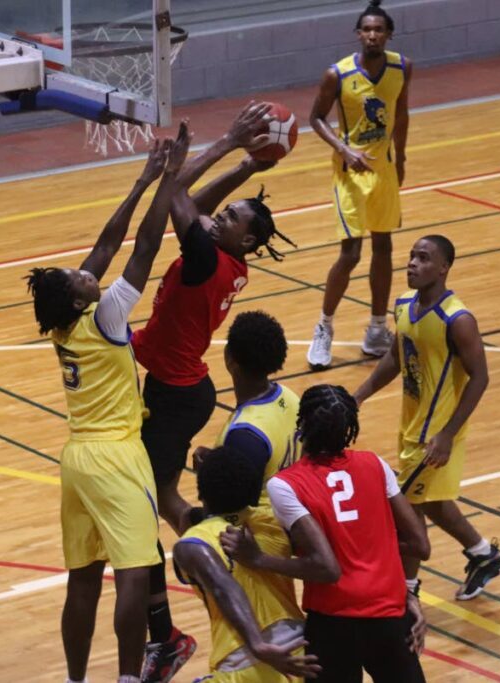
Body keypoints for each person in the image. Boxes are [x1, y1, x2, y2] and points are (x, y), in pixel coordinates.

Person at [132, 105, 296, 683]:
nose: (218, 216)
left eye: (231, 217)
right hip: (178, 388)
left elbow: (177, 193)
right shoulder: (225, 257)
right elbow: (197, 207)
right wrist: (248, 165)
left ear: (245, 238)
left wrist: (226, 142)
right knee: (164, 498)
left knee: (140, 511)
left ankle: (167, 636)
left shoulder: (206, 259)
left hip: (173, 396)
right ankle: (215, 546)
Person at [24, 124, 189, 683]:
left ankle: (76, 680)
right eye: (79, 276)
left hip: (77, 460)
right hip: (118, 456)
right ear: (79, 295)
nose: (86, 269)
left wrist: (141, 179)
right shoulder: (107, 315)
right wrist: (168, 182)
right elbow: (142, 246)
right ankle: (126, 678)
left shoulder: (64, 324)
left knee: (84, 578)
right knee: (137, 571)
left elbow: (105, 245)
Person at [223, 384, 430, 683]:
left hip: (334, 624)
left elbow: (325, 567)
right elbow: (419, 545)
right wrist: (407, 590)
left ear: (302, 424)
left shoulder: (286, 485)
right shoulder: (376, 464)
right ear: (349, 427)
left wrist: (258, 559)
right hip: (389, 617)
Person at [354, 235, 500, 601]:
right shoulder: (404, 304)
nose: (411, 263)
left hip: (437, 433)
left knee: (404, 510)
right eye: (411, 256)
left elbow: (481, 377)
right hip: (411, 425)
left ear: (443, 268)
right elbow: (395, 357)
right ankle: (484, 555)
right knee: (428, 501)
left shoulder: (458, 319)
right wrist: (358, 396)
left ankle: (406, 591)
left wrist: (448, 433)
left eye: (423, 258)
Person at [305, 0, 411, 370]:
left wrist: (401, 158)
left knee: (384, 246)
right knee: (350, 254)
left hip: (383, 171)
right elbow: (315, 118)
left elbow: (401, 113)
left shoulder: (401, 67)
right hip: (350, 174)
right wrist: (343, 149)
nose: (372, 35)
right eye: (366, 29)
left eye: (378, 29)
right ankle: (324, 327)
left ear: (388, 34)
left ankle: (377, 329)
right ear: (358, 34)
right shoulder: (337, 74)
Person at [173, 446, 321, 682]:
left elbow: (223, 586)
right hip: (302, 654)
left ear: (202, 493)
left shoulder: (194, 545)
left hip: (246, 662)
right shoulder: (273, 522)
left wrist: (258, 644)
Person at [191, 310, 300, 510]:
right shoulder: (290, 397)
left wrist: (209, 475)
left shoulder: (244, 434)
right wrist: (221, 461)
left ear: (229, 358)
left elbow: (226, 508)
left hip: (261, 533)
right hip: (293, 516)